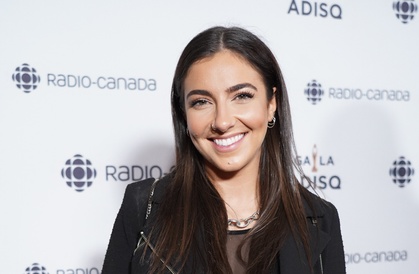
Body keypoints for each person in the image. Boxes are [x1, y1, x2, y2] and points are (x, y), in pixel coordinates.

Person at [102, 26, 345, 274]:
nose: (222, 121)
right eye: (201, 102)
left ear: (272, 104)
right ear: (184, 114)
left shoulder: (318, 219)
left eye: (241, 96)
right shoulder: (144, 207)